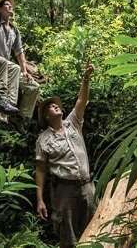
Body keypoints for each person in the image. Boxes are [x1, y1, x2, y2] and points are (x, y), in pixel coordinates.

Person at [35, 64, 95, 248]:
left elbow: (81, 101)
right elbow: (40, 171)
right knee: (68, 238)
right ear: (46, 117)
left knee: (95, 231)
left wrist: (85, 79)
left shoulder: (73, 123)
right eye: (51, 107)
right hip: (64, 192)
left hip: (87, 186)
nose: (55, 106)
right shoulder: (43, 140)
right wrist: (40, 200)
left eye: (56, 105)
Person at [0, 0, 39, 122]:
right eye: (6, 5)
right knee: (12, 71)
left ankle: (21, 119)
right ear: (0, 9)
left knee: (33, 87)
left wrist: (25, 71)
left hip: (9, 67)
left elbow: (19, 52)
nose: (10, 6)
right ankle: (3, 113)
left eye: (11, 5)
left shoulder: (14, 30)